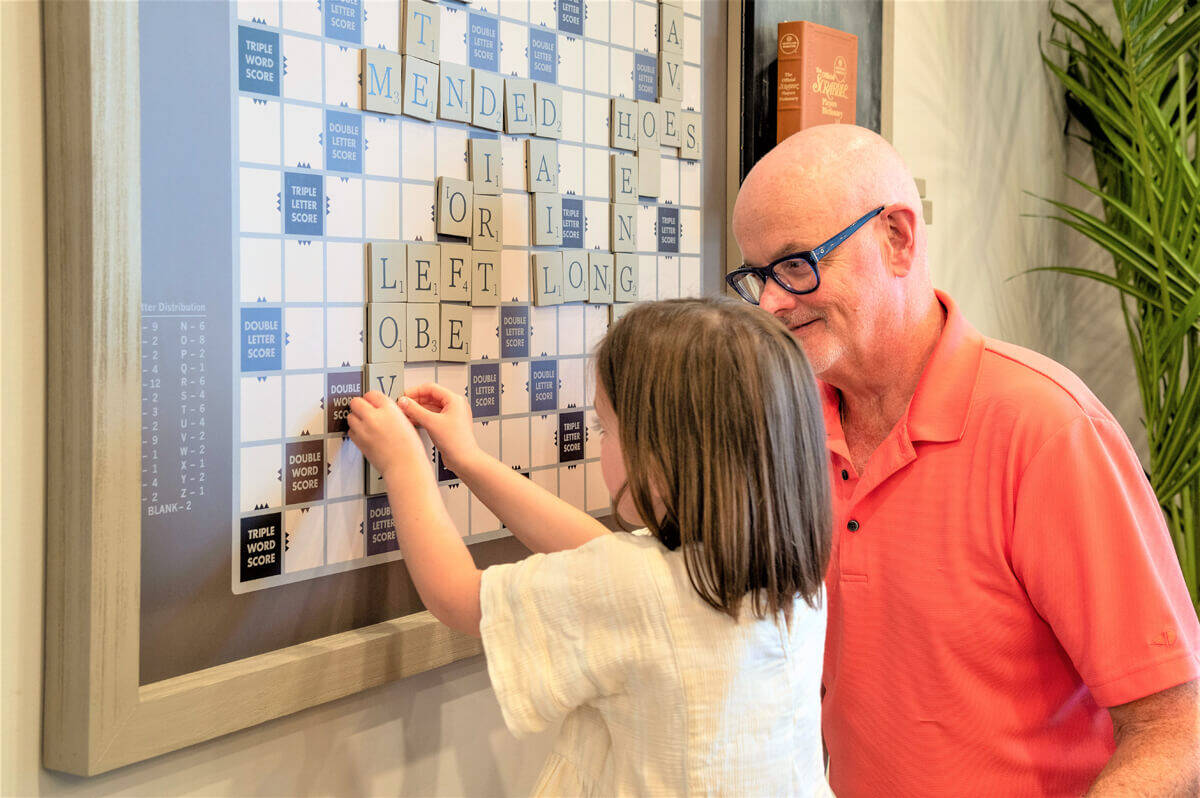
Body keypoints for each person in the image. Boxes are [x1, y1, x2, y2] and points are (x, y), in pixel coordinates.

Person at [728, 123, 1200, 796]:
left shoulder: (1047, 430)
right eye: (756, 276)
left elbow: (1177, 728)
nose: (772, 302)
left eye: (797, 265)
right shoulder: (787, 424)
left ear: (897, 238)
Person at [348, 298, 834, 796]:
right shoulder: (783, 573)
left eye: (606, 427)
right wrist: (467, 460)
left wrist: (403, 464)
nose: (599, 439)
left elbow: (455, 595)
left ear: (662, 452)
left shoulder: (641, 589)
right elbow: (606, 554)